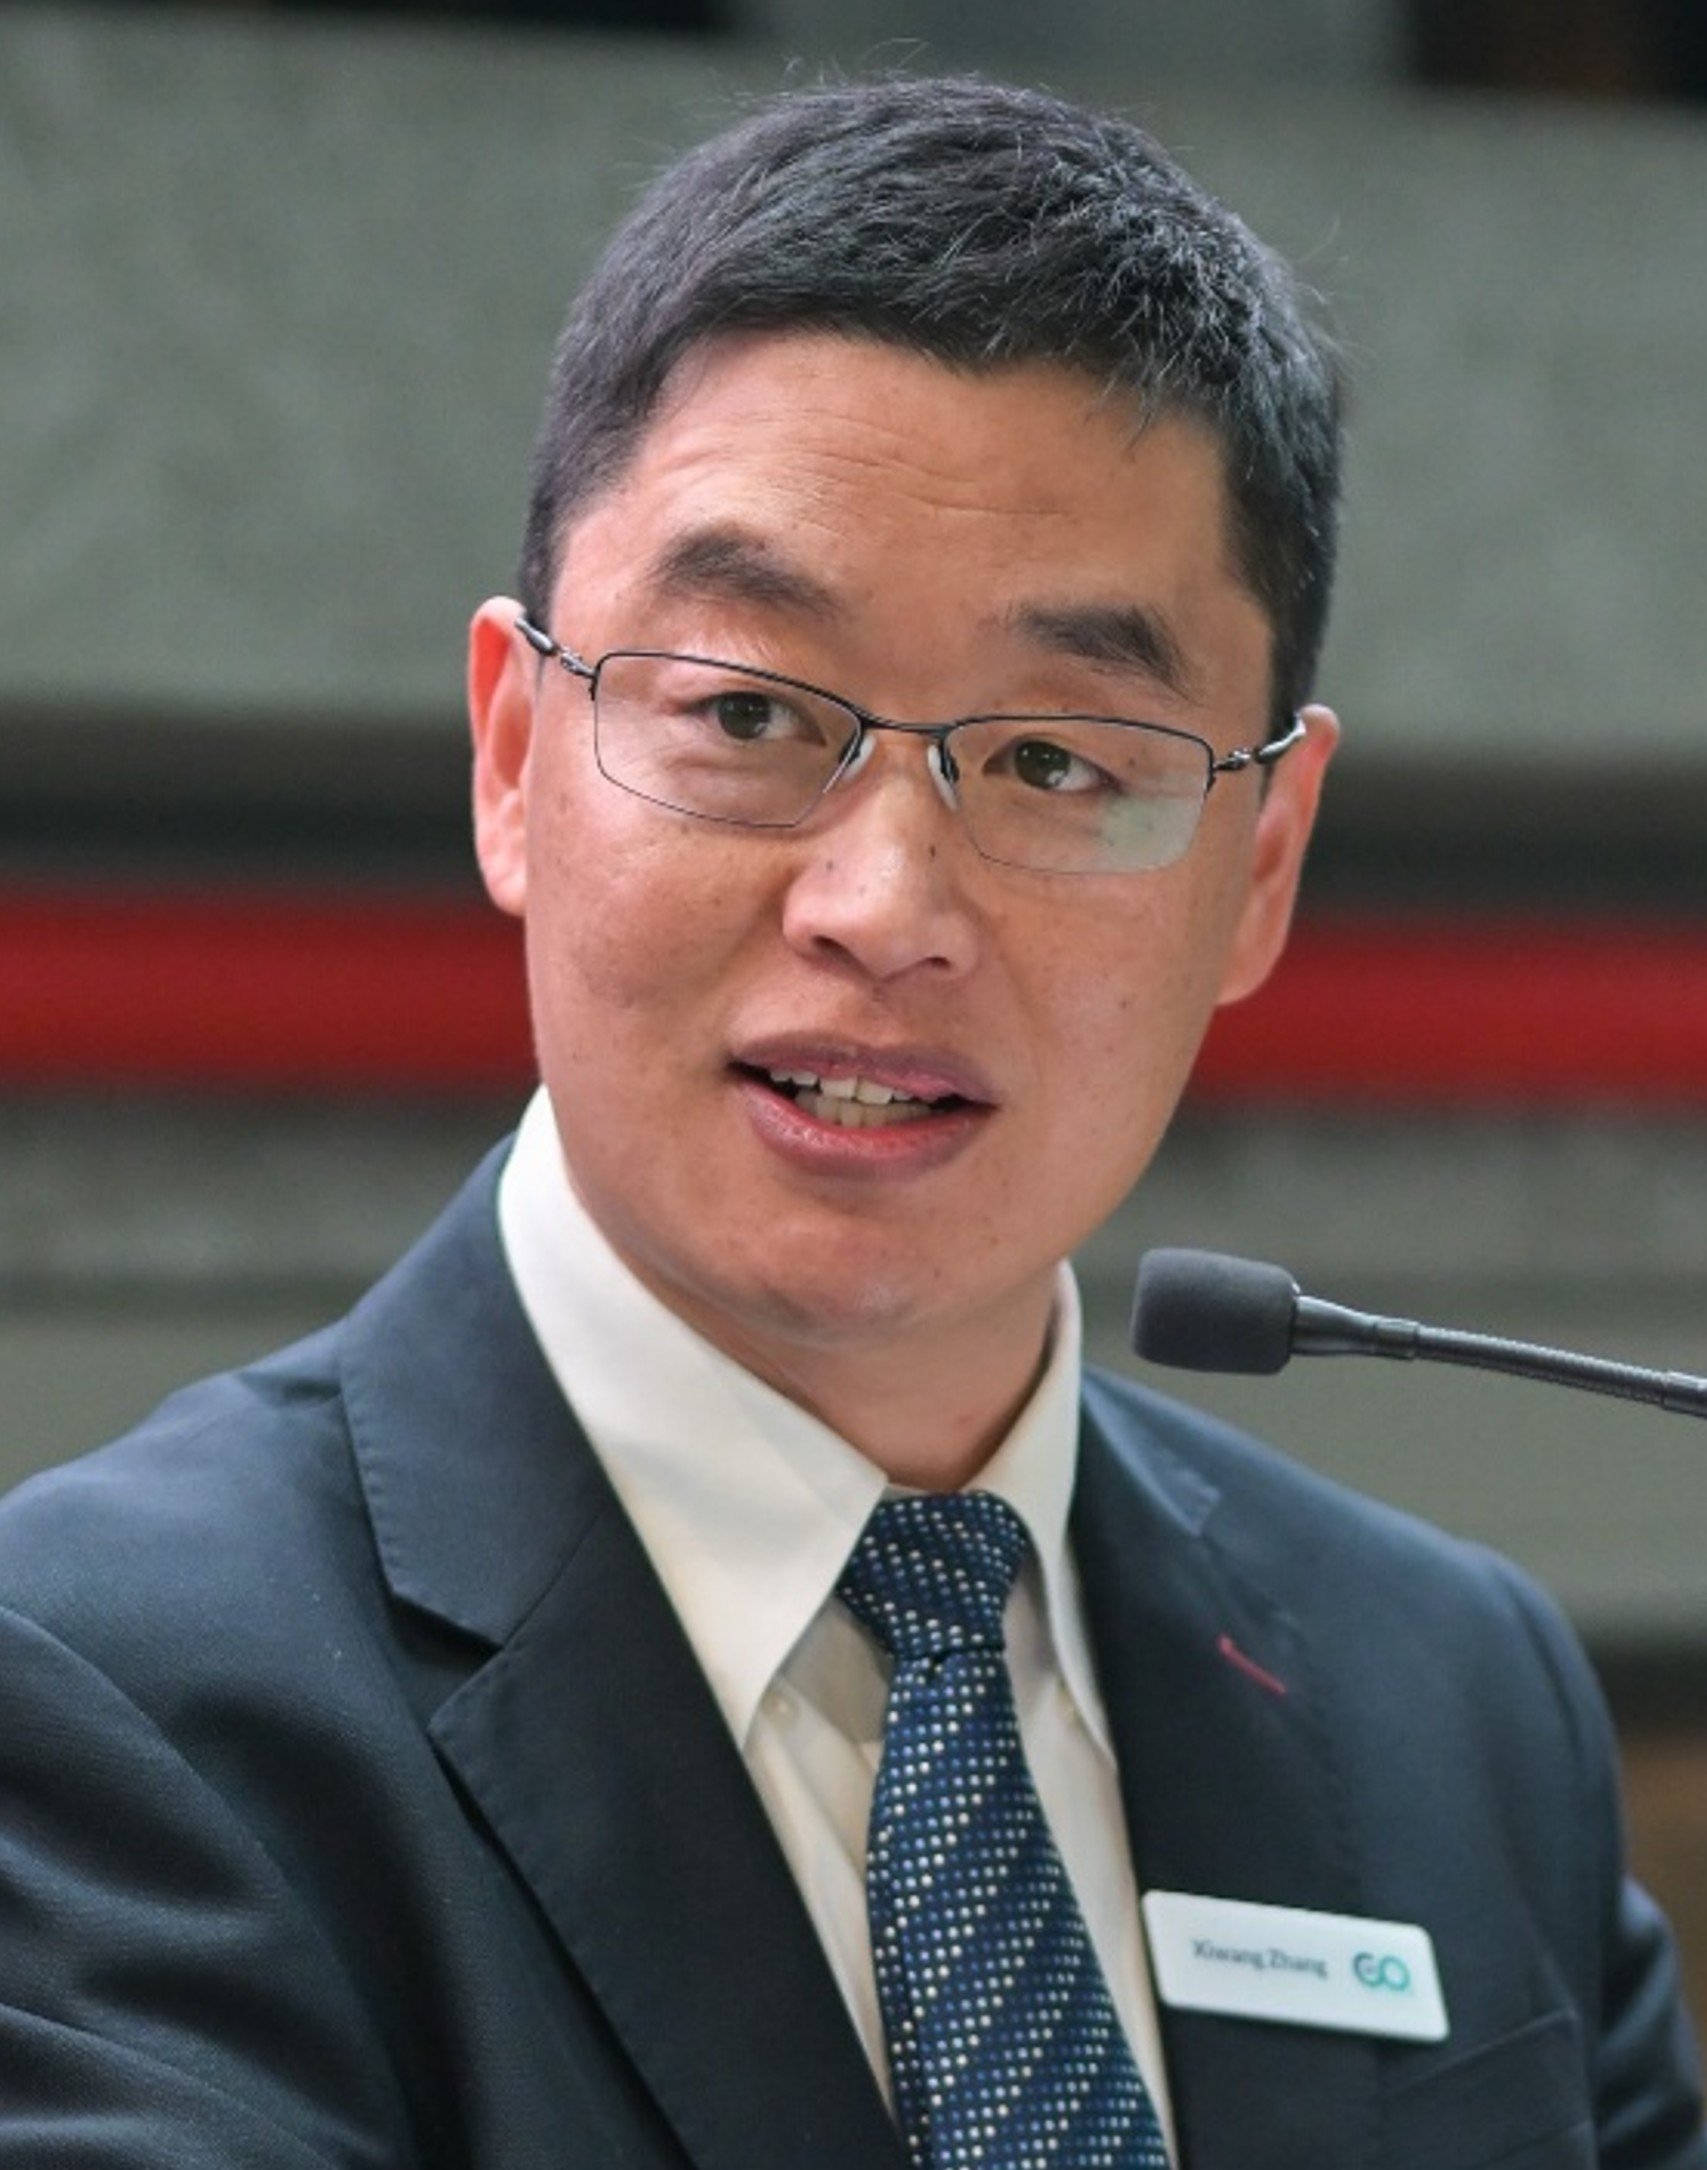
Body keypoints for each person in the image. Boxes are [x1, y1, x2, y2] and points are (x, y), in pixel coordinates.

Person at [0, 71, 1700, 2170]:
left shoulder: (1455, 1703)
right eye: (746, 713)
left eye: (1061, 761)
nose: (884, 905)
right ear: (514, 755)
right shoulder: (102, 1700)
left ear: (1261, 866)